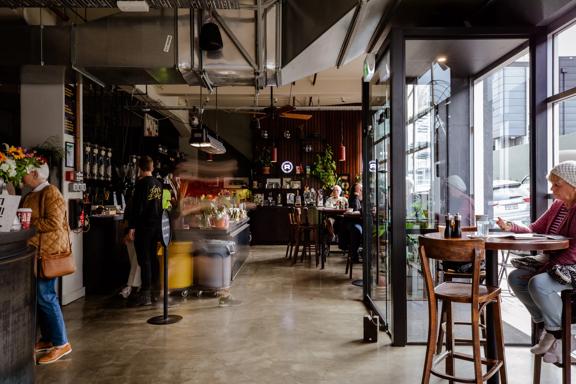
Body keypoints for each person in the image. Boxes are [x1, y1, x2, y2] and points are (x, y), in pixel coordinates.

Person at [497, 161, 576, 355]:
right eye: (552, 184)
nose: (552, 189)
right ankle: (549, 327)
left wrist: (547, 267)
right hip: (557, 264)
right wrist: (511, 227)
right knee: (516, 277)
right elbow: (534, 229)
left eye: (557, 184)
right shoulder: (558, 206)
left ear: (573, 184)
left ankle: (557, 332)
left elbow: (574, 250)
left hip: (571, 265)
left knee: (538, 284)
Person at [21, 163, 72, 364]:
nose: (21, 177)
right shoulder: (30, 194)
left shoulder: (51, 192)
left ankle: (62, 343)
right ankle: (48, 339)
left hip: (48, 254)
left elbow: (55, 222)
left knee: (46, 297)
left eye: (24, 172)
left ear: (35, 173)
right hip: (37, 253)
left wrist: (28, 222)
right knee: (41, 297)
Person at [128, 156, 163, 306]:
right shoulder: (158, 184)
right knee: (153, 259)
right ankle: (155, 292)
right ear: (152, 167)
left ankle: (145, 294)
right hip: (156, 226)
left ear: (140, 169)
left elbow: (137, 208)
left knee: (145, 260)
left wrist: (131, 227)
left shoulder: (141, 184)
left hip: (143, 227)